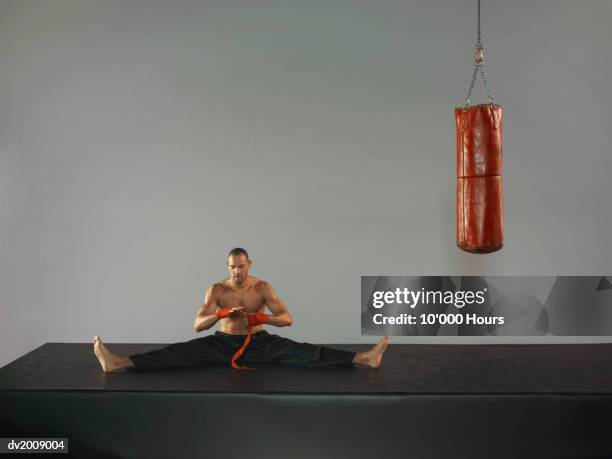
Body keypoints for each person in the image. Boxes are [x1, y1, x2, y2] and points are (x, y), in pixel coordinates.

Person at [93, 247, 389, 373]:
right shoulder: (217, 289)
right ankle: (118, 363)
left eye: (242, 267)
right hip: (222, 343)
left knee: (307, 353)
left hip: (260, 342)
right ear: (227, 267)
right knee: (177, 353)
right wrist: (222, 314)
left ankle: (366, 358)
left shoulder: (262, 288)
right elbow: (198, 325)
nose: (237, 272)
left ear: (250, 265)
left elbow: (288, 319)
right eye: (233, 267)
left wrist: (259, 318)